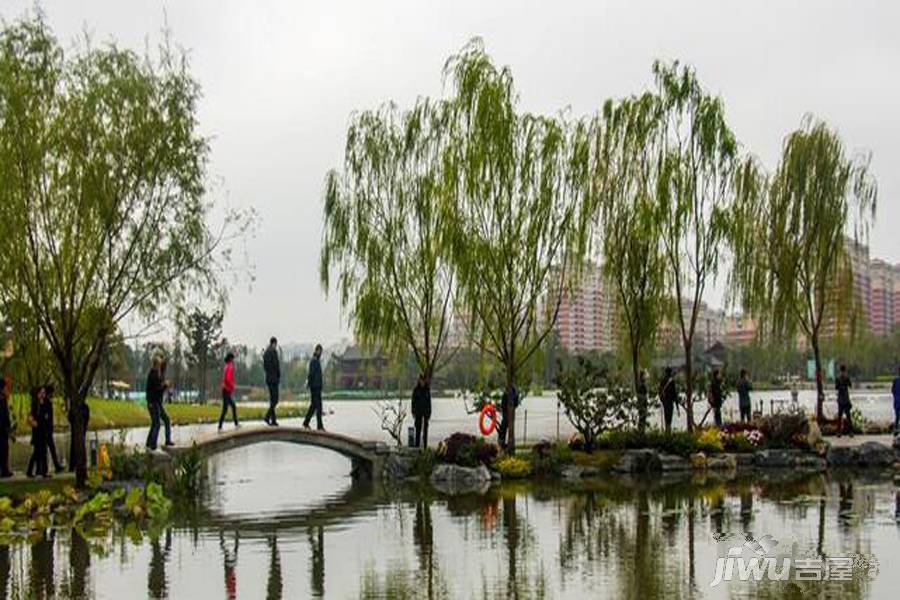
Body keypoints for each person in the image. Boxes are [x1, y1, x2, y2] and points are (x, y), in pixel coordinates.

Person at [146, 358, 173, 449]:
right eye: (159, 364)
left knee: (158, 422)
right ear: (157, 365)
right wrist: (165, 385)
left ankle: (150, 443)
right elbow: (158, 390)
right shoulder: (154, 376)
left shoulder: (154, 374)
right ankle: (153, 445)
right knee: (157, 423)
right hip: (154, 403)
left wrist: (164, 384)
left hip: (155, 403)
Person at [26, 386, 50, 478]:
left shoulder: (45, 403)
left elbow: (46, 415)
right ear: (38, 394)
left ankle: (44, 471)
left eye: (44, 393)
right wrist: (33, 421)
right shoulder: (35, 404)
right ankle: (30, 471)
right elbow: (32, 416)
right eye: (41, 393)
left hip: (43, 429)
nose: (43, 395)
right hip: (37, 431)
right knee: (37, 452)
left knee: (43, 451)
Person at [42, 385, 64, 472]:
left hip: (48, 429)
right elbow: (47, 417)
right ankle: (51, 466)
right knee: (47, 449)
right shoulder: (46, 403)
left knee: (50, 448)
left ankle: (54, 465)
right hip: (47, 430)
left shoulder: (47, 402)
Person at [303, 344, 324, 430]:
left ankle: (306, 422)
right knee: (318, 406)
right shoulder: (314, 361)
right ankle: (319, 426)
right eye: (320, 351)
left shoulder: (316, 361)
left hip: (317, 386)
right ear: (317, 350)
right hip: (315, 387)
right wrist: (308, 384)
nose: (321, 353)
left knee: (314, 405)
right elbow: (311, 374)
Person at [67, 400, 90, 473]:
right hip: (76, 429)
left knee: (80, 446)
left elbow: (86, 418)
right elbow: (70, 417)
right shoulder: (75, 407)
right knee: (74, 446)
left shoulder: (84, 408)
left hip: (81, 429)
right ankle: (74, 465)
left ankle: (80, 465)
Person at [218, 352, 239, 431]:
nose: (233, 360)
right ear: (231, 359)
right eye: (233, 359)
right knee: (226, 409)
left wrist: (232, 385)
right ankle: (220, 426)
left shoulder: (226, 366)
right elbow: (228, 379)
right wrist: (232, 385)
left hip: (226, 390)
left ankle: (235, 423)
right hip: (226, 390)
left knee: (232, 406)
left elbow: (227, 379)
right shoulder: (230, 367)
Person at [263, 337, 281, 426]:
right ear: (274, 343)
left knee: (272, 399)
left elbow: (264, 366)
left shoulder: (266, 353)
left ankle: (273, 420)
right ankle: (267, 416)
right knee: (275, 399)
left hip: (268, 378)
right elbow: (276, 365)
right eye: (275, 344)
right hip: (274, 379)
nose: (276, 346)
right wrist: (278, 375)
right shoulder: (273, 352)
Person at [411, 374, 432, 448]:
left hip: (425, 412)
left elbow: (429, 402)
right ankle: (417, 445)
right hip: (418, 412)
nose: (422, 382)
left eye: (423, 380)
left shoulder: (427, 390)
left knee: (425, 430)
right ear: (419, 380)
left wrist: (429, 412)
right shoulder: (416, 390)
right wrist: (413, 411)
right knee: (418, 429)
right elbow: (413, 402)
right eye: (421, 380)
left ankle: (425, 446)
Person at [835, 364, 854, 437]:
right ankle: (850, 432)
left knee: (840, 416)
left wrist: (840, 386)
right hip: (845, 399)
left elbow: (836, 387)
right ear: (845, 370)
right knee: (847, 416)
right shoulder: (847, 377)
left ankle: (839, 432)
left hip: (841, 399)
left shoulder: (838, 378)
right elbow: (850, 385)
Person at [658, 368, 677, 434]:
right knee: (669, 417)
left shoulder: (662, 381)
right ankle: (668, 431)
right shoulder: (672, 381)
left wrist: (662, 400)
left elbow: (659, 391)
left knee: (666, 416)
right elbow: (674, 393)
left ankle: (667, 430)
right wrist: (677, 404)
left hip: (665, 402)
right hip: (670, 401)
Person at [0, 377, 12, 478]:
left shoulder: (4, 398)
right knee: (3, 449)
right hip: (1, 428)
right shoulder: (1, 399)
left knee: (4, 449)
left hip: (3, 428)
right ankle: (4, 470)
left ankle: (4, 469)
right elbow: (3, 414)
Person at [892, 365, 900, 435]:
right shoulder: (896, 380)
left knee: (897, 417)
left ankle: (896, 430)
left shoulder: (895, 380)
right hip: (897, 401)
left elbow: (893, 391)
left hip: (896, 401)